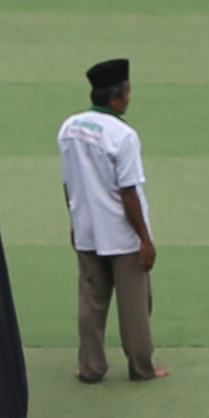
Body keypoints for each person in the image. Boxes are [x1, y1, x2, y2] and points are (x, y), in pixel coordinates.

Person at [57, 57, 157, 384]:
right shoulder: (123, 136)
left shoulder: (69, 127)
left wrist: (75, 220)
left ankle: (90, 367)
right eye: (127, 92)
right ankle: (142, 368)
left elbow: (69, 182)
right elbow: (128, 192)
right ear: (115, 96)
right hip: (121, 233)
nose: (129, 98)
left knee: (91, 302)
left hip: (87, 228)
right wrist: (144, 238)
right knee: (135, 307)